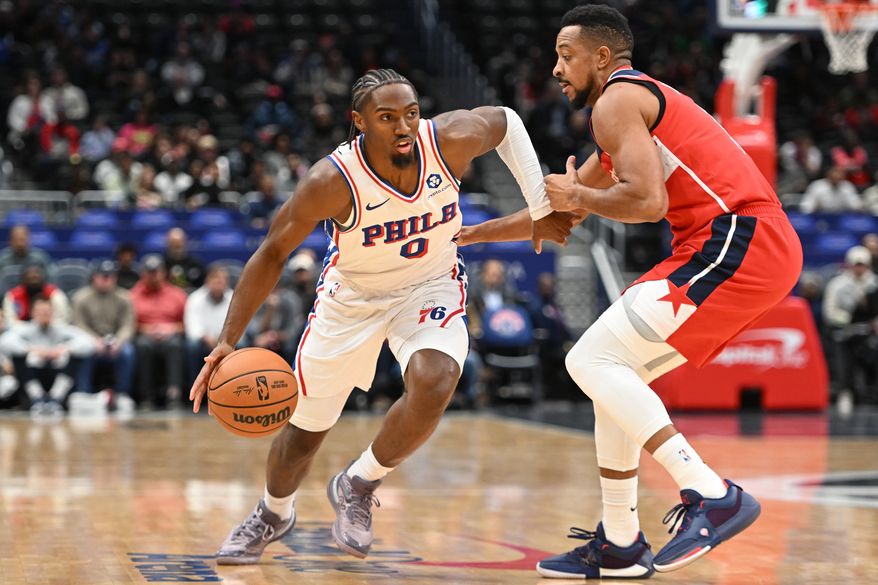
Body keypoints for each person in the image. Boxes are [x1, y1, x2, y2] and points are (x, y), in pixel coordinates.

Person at [459, 6, 802, 578]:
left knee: (588, 359)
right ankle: (621, 542)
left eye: (565, 56)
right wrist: (468, 234)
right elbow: (553, 216)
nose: (555, 70)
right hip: (740, 247)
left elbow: (646, 202)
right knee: (613, 373)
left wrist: (579, 196)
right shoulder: (625, 117)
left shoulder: (618, 99)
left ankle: (710, 491)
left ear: (602, 56)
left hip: (738, 236)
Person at [188, 68, 575, 565]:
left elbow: (505, 121)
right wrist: (228, 339)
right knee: (304, 432)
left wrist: (540, 205)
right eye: (387, 117)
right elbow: (271, 253)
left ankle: (360, 481)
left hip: (428, 286)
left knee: (436, 379)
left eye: (411, 114)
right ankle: (272, 512)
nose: (404, 127)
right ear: (359, 122)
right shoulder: (331, 180)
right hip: (351, 299)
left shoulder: (448, 139)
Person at [0, 297, 94, 416]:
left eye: (47, 311)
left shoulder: (61, 328)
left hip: (58, 376)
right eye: (40, 311)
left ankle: (56, 399)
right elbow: (4, 341)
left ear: (52, 312)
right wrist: (30, 349)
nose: (44, 314)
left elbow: (88, 342)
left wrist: (64, 349)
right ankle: (37, 398)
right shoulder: (25, 329)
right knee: (19, 356)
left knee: (76, 355)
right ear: (33, 313)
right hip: (32, 378)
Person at [71, 260, 136, 411]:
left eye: (110, 276)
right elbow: (78, 324)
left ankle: (122, 394)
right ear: (94, 277)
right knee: (83, 350)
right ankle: (84, 393)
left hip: (116, 341)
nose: (106, 280)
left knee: (128, 352)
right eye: (102, 276)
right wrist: (94, 341)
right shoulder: (81, 298)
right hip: (90, 341)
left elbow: (128, 325)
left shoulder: (125, 297)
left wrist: (118, 341)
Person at [130, 254, 187, 408]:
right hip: (144, 334)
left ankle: (174, 395)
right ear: (143, 273)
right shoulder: (133, 295)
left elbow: (187, 324)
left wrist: (172, 328)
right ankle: (146, 397)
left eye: (156, 271)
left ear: (163, 273)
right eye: (149, 272)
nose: (153, 275)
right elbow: (128, 323)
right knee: (143, 346)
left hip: (171, 334)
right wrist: (145, 329)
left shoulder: (177, 294)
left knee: (175, 345)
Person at [184, 265, 232, 388]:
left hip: (227, 339)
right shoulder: (195, 298)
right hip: (203, 340)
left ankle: (233, 387)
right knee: (192, 345)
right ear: (207, 281)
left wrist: (222, 340)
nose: (218, 283)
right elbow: (192, 326)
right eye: (215, 280)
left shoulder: (233, 297)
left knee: (242, 344)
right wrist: (205, 337)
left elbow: (236, 324)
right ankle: (194, 388)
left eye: (222, 280)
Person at [3, 264, 70, 327]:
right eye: (30, 278)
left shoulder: (54, 293)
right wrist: (31, 329)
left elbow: (63, 319)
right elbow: (10, 320)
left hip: (51, 331)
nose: (34, 281)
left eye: (36, 277)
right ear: (23, 280)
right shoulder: (13, 295)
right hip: (21, 333)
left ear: (43, 279)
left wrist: (44, 327)